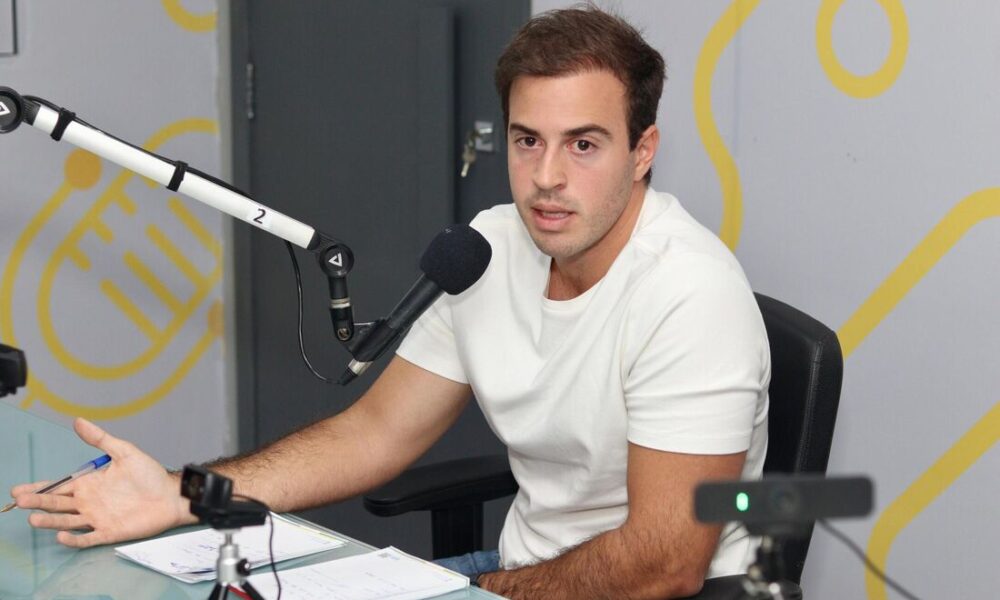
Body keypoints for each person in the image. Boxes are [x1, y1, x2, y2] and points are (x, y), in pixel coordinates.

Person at [11, 7, 769, 599]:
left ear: (642, 152)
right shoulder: (492, 246)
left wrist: (480, 590)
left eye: (583, 144)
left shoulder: (690, 295)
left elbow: (666, 561)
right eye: (527, 140)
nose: (546, 177)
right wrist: (182, 495)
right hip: (521, 573)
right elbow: (375, 433)